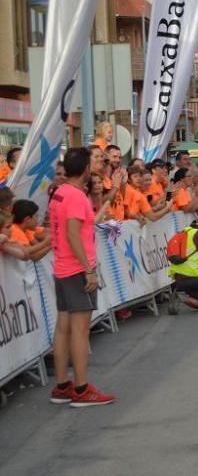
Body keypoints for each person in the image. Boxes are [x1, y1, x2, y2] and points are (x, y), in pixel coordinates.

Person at [47, 148, 116, 407]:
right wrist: (88, 269)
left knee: (63, 327)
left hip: (62, 267)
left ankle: (63, 384)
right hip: (76, 269)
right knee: (79, 330)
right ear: (86, 169)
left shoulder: (59, 193)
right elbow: (73, 233)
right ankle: (81, 388)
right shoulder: (76, 196)